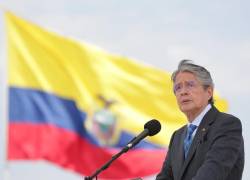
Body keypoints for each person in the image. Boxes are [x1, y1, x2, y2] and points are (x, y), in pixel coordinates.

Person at [156, 60, 244, 180]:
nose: (183, 92)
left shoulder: (227, 125)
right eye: (178, 88)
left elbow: (210, 175)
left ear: (209, 92)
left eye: (190, 85)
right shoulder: (178, 136)